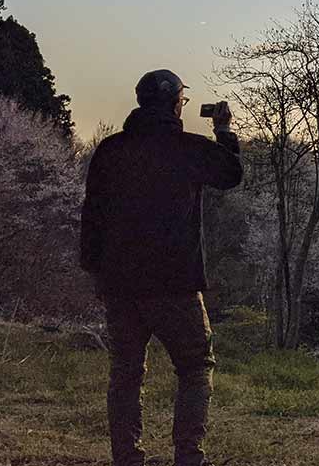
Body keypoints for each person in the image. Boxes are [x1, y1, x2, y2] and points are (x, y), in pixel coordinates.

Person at [79, 69, 243, 466]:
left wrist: (94, 270)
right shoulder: (189, 148)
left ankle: (128, 458)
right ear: (175, 103)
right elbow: (230, 174)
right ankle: (188, 458)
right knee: (194, 367)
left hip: (119, 285)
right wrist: (223, 130)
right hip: (175, 283)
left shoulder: (110, 150)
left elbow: (92, 215)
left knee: (126, 372)